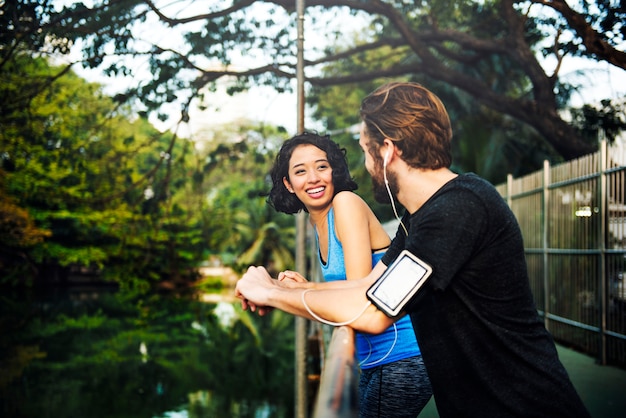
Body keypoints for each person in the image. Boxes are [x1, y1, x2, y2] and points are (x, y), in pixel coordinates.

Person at [236, 82, 590, 418]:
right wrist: (288, 288)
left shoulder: (458, 210)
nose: (366, 164)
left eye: (364, 149)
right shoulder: (419, 218)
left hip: (526, 407)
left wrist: (268, 292)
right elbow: (368, 288)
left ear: (387, 151)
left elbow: (373, 313)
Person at [266, 132, 432, 417]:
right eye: (300, 171)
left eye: (322, 166)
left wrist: (288, 293)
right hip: (373, 359)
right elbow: (349, 289)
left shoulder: (345, 203)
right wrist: (308, 287)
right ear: (288, 184)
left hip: (401, 356)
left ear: (334, 171)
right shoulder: (318, 224)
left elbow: (358, 295)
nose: (314, 178)